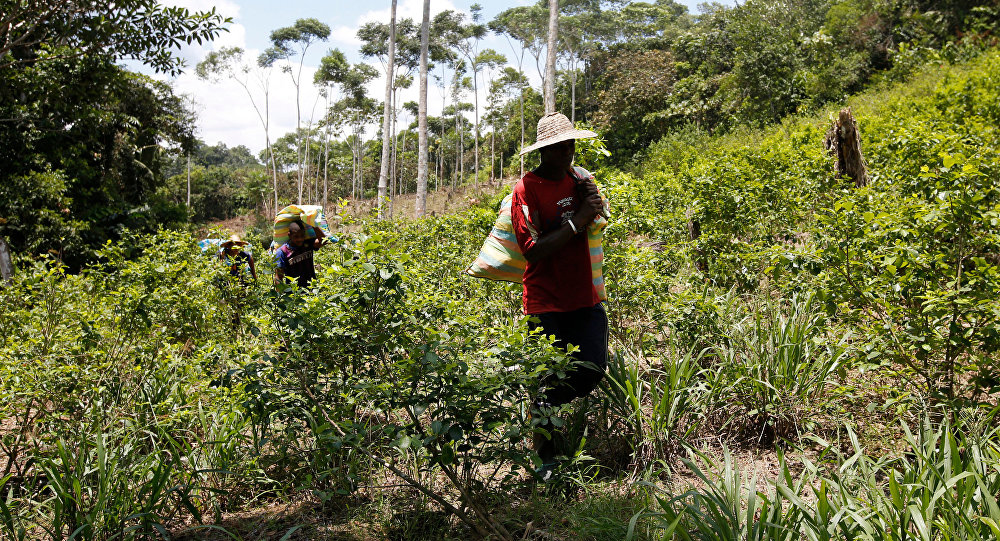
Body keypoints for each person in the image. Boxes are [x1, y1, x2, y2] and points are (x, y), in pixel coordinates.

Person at [510, 112, 609, 479]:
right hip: (545, 301)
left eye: (571, 144)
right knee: (544, 377)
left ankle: (542, 408)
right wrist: (578, 218)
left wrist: (591, 205)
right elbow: (532, 250)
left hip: (586, 293)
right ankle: (547, 461)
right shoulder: (527, 189)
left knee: (593, 369)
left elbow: (599, 220)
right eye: (559, 146)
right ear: (544, 150)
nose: (567, 152)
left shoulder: (581, 179)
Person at [274, 219, 325, 288]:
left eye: (302, 236)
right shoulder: (282, 252)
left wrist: (314, 225)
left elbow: (323, 241)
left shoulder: (308, 244)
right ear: (289, 235)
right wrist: (280, 296)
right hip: (294, 294)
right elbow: (279, 277)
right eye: (296, 236)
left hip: (312, 290)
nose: (300, 239)